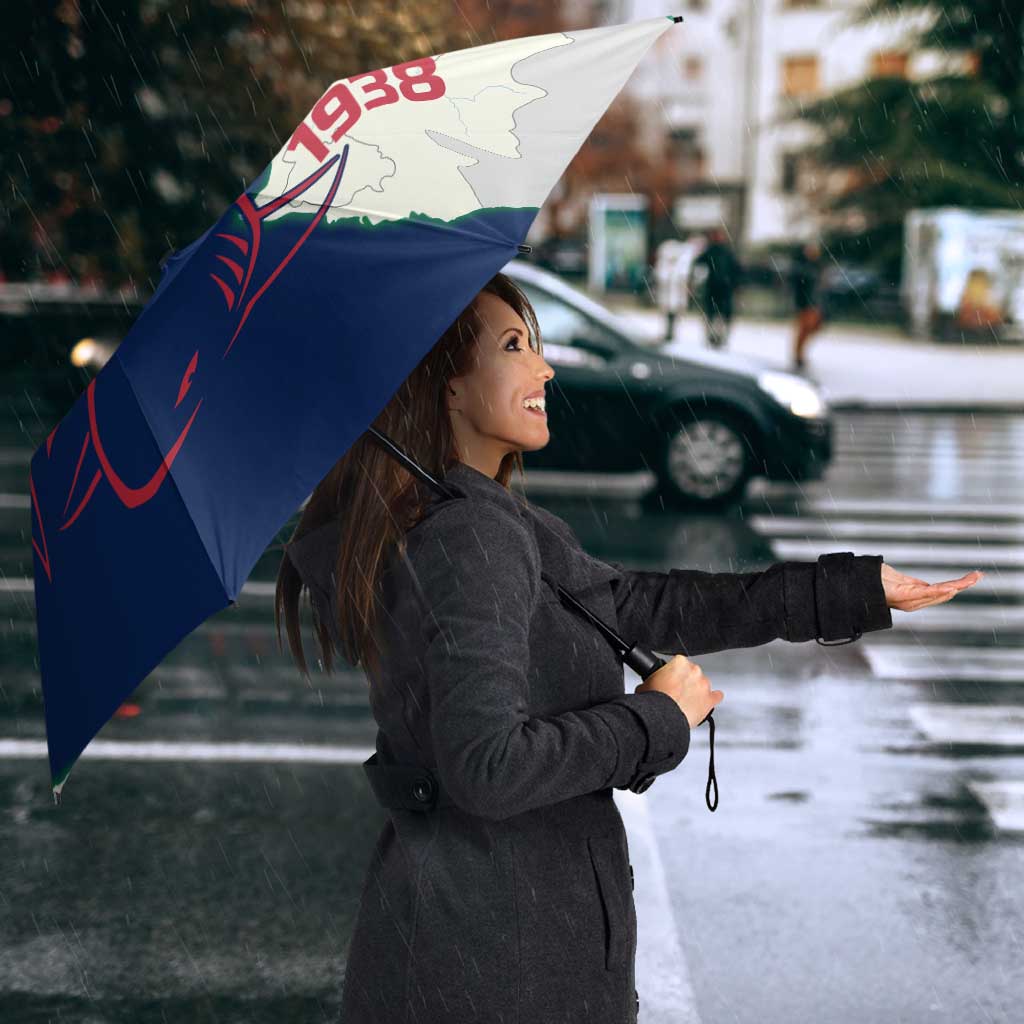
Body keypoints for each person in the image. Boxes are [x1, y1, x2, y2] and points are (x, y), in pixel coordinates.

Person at [275, 272, 981, 1024]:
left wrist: (850, 590)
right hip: (496, 964)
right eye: (514, 346)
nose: (544, 368)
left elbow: (642, 605)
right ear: (444, 387)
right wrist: (655, 718)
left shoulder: (480, 519)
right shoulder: (469, 536)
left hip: (484, 944)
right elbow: (487, 768)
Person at [692, 226, 742, 349]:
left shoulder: (725, 252)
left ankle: (719, 337)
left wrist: (735, 284)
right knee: (713, 314)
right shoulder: (712, 251)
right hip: (715, 288)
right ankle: (713, 337)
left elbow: (736, 270)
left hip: (723, 288)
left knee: (720, 315)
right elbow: (698, 264)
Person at [790, 239, 826, 370]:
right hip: (805, 303)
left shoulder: (817, 266)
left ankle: (799, 354)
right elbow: (799, 286)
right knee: (804, 329)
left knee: (812, 328)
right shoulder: (802, 267)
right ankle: (798, 355)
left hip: (814, 303)